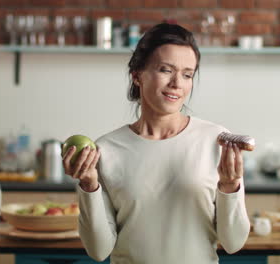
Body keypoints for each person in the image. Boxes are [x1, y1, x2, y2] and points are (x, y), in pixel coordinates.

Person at [62, 22, 250, 264]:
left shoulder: (217, 141)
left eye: (187, 74)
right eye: (165, 70)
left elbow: (233, 243)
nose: (177, 84)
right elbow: (99, 251)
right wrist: (88, 186)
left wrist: (230, 186)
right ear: (137, 75)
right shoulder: (106, 150)